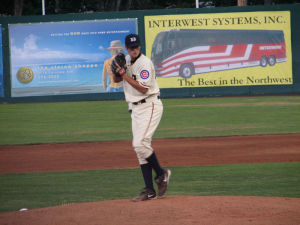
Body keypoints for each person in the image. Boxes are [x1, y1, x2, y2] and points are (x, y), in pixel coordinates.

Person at [113, 34, 171, 202]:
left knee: (141, 144)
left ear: (140, 46)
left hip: (150, 105)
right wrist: (117, 72)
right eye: (131, 48)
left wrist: (124, 74)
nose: (134, 50)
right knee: (139, 149)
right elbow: (117, 79)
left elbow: (144, 89)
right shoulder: (124, 59)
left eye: (136, 47)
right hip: (135, 108)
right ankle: (150, 190)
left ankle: (161, 174)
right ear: (126, 48)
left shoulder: (145, 63)